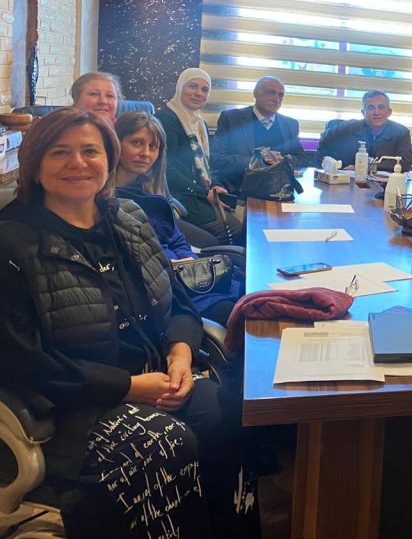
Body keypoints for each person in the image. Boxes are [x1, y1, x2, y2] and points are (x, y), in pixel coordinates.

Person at [0, 108, 261, 538]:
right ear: (34, 164)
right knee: (168, 444)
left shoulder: (129, 218)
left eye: (90, 151)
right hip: (74, 409)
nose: (78, 163)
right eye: (59, 152)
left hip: (157, 376)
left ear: (108, 160)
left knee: (229, 413)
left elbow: (178, 302)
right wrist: (129, 387)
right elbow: (23, 363)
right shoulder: (11, 241)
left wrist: (181, 354)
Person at [115, 111, 242, 325]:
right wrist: (168, 265)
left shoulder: (152, 195)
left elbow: (176, 239)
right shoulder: (107, 200)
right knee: (234, 312)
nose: (145, 153)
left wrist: (187, 261)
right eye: (136, 143)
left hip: (183, 277)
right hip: (156, 288)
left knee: (246, 290)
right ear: (116, 142)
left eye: (153, 147)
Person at [156, 68, 244, 245]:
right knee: (232, 227)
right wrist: (204, 193)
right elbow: (167, 170)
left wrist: (215, 185)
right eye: (192, 86)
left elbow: (204, 165)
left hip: (194, 192)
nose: (198, 93)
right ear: (180, 87)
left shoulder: (198, 122)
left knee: (241, 219)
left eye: (204, 89)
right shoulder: (166, 120)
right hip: (175, 194)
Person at [211, 75, 304, 191]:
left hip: (281, 191)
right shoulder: (231, 119)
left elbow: (301, 158)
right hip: (240, 189)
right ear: (255, 93)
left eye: (281, 95)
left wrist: (284, 160)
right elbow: (217, 158)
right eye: (271, 93)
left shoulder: (290, 124)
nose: (276, 99)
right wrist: (258, 160)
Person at [316, 90, 412, 172]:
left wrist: (366, 167)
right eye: (371, 108)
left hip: (385, 185)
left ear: (389, 112)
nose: (376, 112)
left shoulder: (401, 133)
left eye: (381, 107)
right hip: (347, 183)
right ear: (363, 112)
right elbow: (324, 141)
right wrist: (330, 167)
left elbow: (405, 163)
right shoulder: (347, 128)